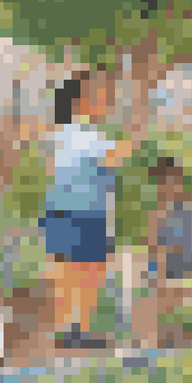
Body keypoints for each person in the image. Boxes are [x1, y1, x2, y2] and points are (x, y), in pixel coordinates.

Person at [42, 71, 135, 349]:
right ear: (79, 102)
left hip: (73, 214)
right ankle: (72, 330)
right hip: (80, 216)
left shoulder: (69, 134)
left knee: (75, 273)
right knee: (82, 273)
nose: (105, 100)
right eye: (97, 94)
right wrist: (137, 125)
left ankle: (72, 329)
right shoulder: (79, 134)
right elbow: (118, 155)